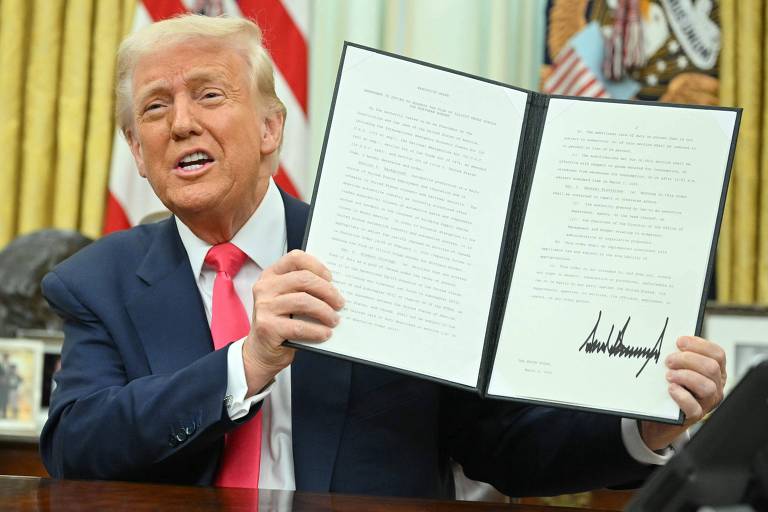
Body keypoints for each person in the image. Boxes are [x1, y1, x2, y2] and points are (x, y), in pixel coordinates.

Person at [40, 14, 726, 498]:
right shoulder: (94, 283)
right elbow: (77, 450)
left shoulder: (389, 247)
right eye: (155, 109)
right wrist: (246, 365)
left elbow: (502, 447)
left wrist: (643, 423)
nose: (182, 122)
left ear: (272, 127)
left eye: (210, 95)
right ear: (137, 150)